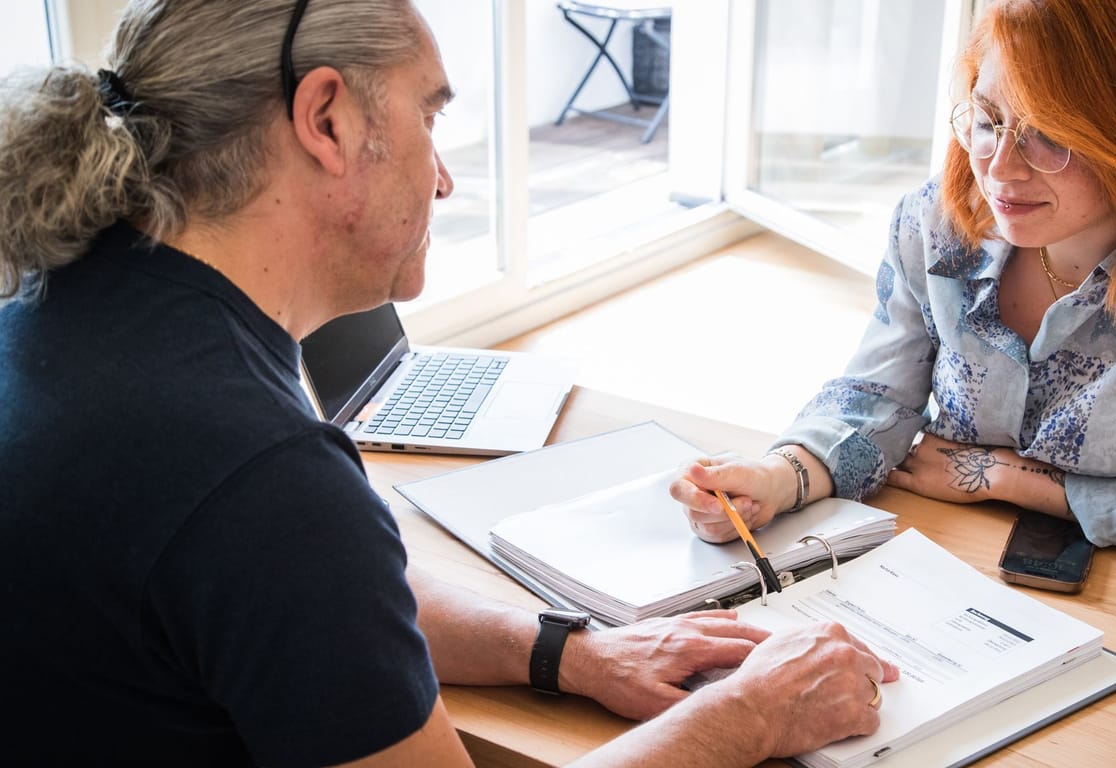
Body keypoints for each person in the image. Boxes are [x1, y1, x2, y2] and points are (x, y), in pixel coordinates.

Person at [0, 1, 896, 765]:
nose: (444, 177)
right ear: (328, 120)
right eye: (429, 116)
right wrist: (746, 714)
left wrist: (572, 652)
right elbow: (288, 550)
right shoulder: (256, 471)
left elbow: (323, 603)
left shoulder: (69, 303)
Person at [672, 0, 1116, 563]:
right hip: (945, 558)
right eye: (988, 120)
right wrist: (776, 477)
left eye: (1050, 135)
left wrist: (1005, 479)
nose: (1000, 169)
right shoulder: (936, 222)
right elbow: (877, 399)